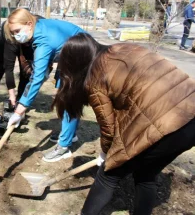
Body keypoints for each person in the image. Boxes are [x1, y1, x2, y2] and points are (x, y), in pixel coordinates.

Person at [53, 33, 195, 215]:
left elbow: (108, 128)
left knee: (107, 175)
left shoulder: (94, 78)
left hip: (167, 122)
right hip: (191, 116)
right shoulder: (124, 48)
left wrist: (106, 154)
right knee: (146, 175)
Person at [4, 8, 84, 162]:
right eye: (13, 33)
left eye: (17, 31)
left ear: (28, 24)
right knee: (63, 97)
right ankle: (70, 134)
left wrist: (19, 111)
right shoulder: (38, 26)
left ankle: (64, 147)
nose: (15, 36)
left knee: (68, 100)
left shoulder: (43, 41)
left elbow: (36, 80)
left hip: (81, 56)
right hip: (69, 56)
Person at [0, 21, 32, 108]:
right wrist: (11, 94)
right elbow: (9, 68)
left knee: (26, 70)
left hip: (27, 43)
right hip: (8, 42)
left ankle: (21, 98)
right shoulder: (8, 34)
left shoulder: (35, 29)